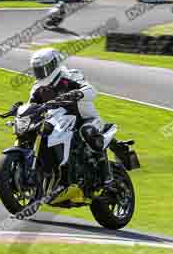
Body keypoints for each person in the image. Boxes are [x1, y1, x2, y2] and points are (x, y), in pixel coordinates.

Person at [27, 48, 112, 187]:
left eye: (44, 69)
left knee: (87, 131)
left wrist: (77, 93)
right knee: (40, 132)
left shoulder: (70, 76)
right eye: (37, 70)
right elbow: (31, 106)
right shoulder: (37, 87)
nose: (41, 74)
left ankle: (106, 176)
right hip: (59, 122)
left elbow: (92, 91)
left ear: (54, 65)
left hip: (85, 119)